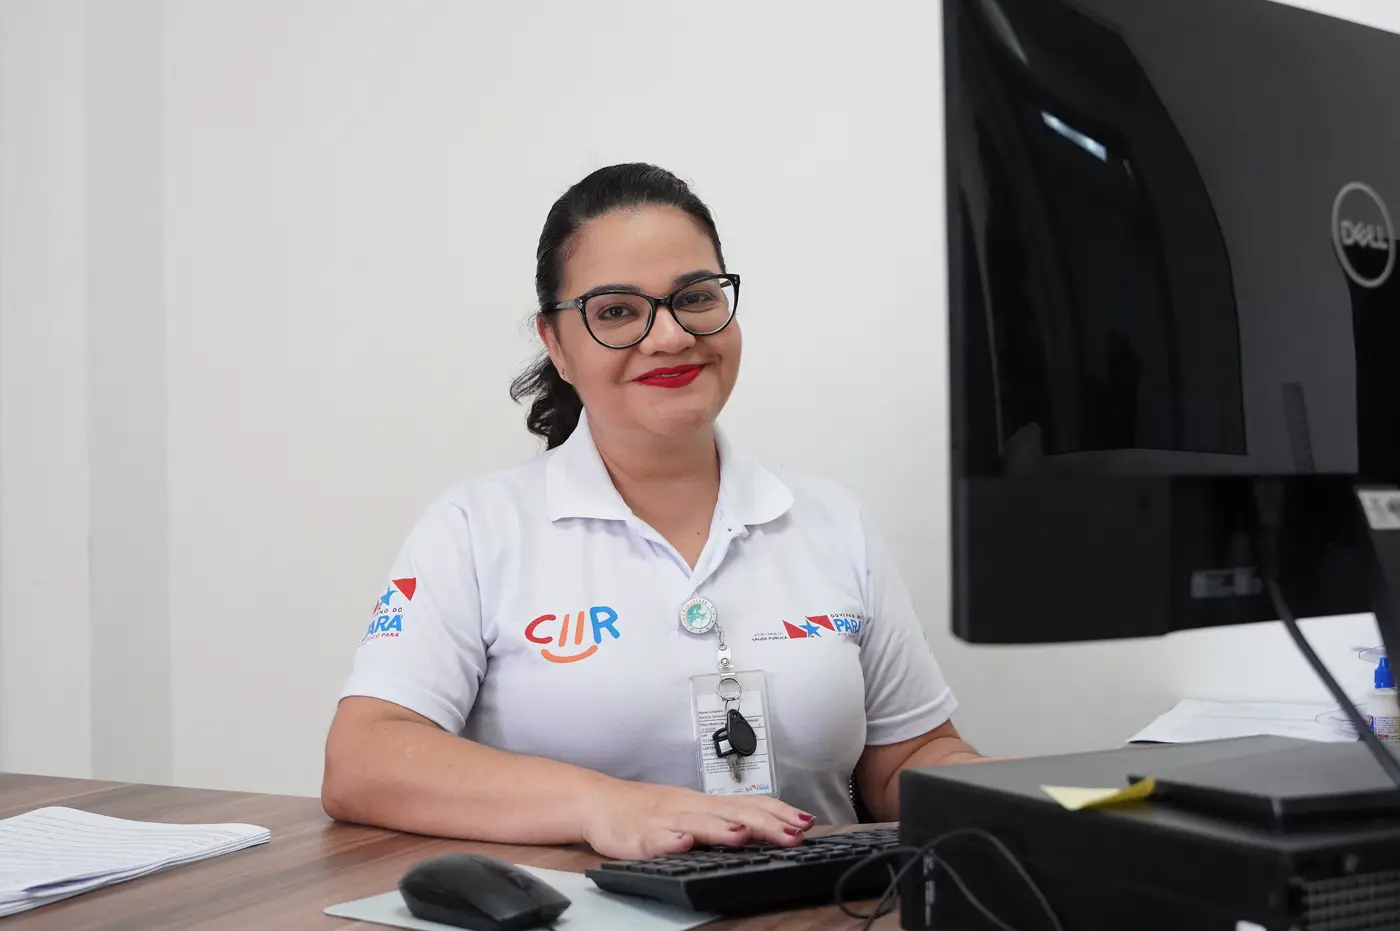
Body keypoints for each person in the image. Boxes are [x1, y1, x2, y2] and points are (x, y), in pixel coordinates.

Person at [321, 163, 982, 861]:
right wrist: (606, 805)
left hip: (812, 903)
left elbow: (907, 757)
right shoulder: (475, 528)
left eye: (694, 297)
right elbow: (365, 759)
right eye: (616, 311)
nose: (669, 336)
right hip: (572, 907)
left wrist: (1024, 793)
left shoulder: (830, 519)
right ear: (556, 344)